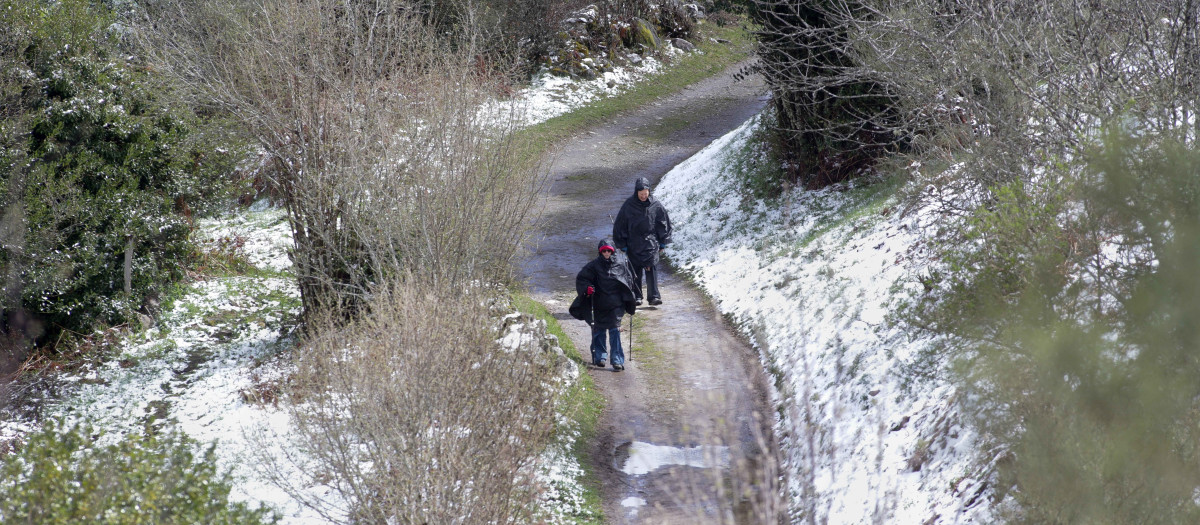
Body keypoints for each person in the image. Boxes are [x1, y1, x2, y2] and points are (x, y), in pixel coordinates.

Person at [570, 239, 639, 371]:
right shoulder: (593, 266)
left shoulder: (621, 264)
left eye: (609, 250)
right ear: (600, 252)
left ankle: (617, 361)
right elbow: (582, 279)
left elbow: (629, 281)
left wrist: (631, 299)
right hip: (599, 303)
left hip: (616, 304)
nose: (606, 253)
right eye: (604, 251)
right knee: (599, 330)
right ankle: (599, 357)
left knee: (615, 331)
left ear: (612, 251)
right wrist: (587, 289)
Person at [613, 177, 672, 306]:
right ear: (636, 192)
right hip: (633, 243)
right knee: (635, 271)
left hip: (651, 242)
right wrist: (622, 244)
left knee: (651, 268)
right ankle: (636, 296)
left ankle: (654, 296)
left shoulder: (656, 205)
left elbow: (663, 223)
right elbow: (620, 225)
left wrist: (663, 241)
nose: (644, 196)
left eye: (646, 194)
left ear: (649, 192)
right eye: (641, 194)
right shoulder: (628, 205)